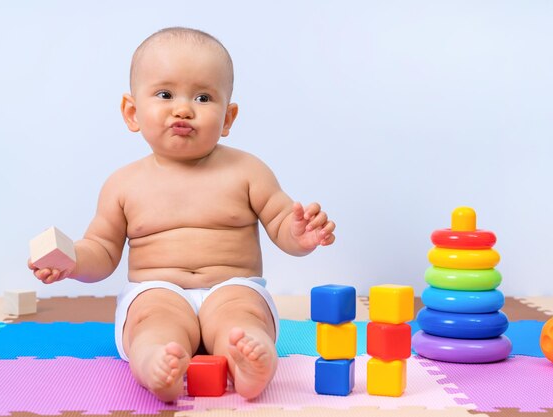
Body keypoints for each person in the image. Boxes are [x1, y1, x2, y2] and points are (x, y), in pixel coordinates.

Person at [28, 27, 335, 403]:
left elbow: (281, 222)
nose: (183, 108)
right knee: (151, 323)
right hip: (157, 290)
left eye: (203, 97)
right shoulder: (123, 184)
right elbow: (102, 250)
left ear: (227, 118)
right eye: (164, 94)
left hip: (231, 286)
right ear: (132, 111)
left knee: (244, 317)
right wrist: (73, 261)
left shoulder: (248, 171)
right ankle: (157, 361)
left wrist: (300, 233)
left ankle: (249, 358)